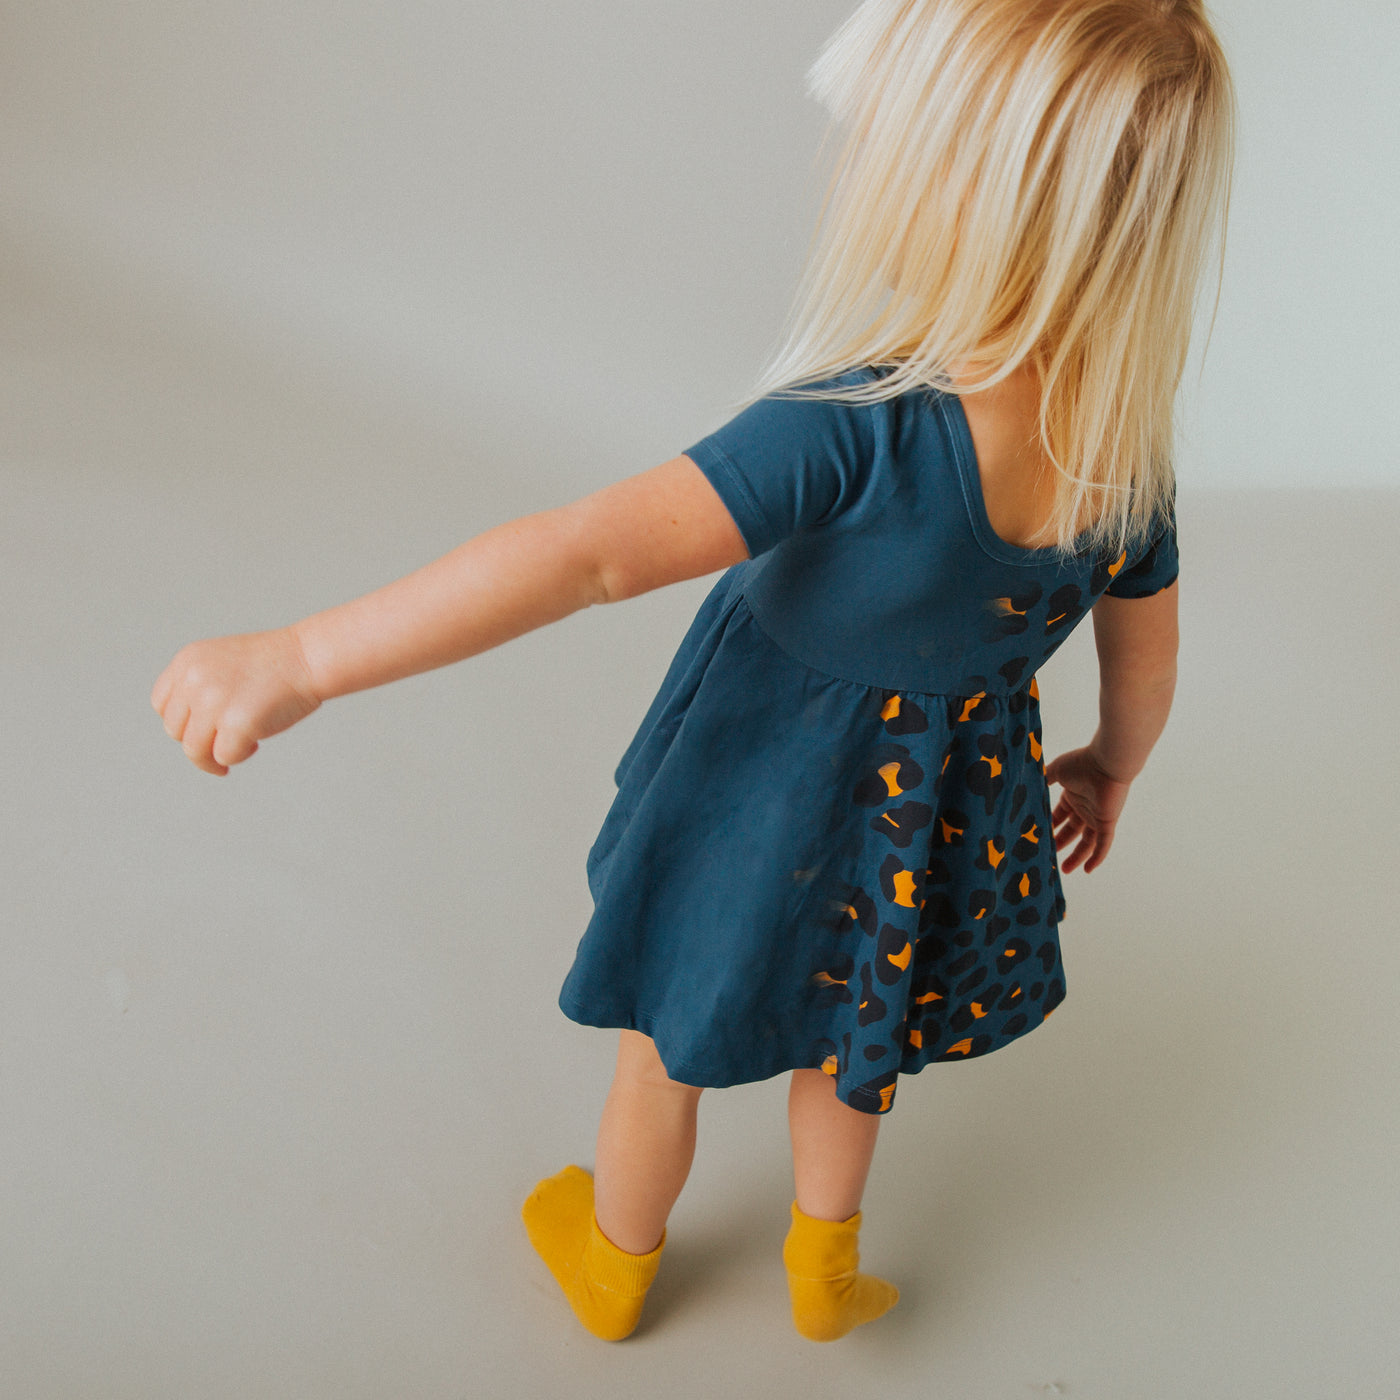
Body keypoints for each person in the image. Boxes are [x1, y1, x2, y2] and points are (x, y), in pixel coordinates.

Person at [151, 0, 1234, 1346]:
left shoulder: (862, 426)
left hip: (754, 798)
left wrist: (305, 656)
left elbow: (586, 556)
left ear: (961, 192)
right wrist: (1112, 766)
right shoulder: (1125, 454)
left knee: (664, 1046)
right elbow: (1151, 653)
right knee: (858, 1041)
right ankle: (824, 1273)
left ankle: (614, 1260)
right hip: (931, 819)